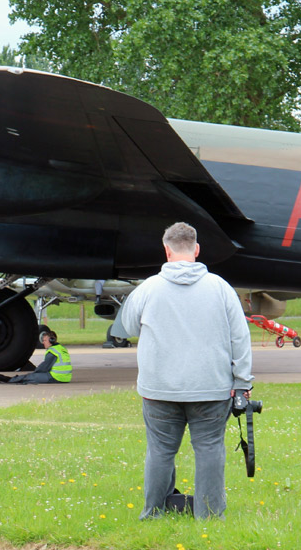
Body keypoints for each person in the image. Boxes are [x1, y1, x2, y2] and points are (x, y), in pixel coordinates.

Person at [117, 222, 253, 520]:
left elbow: (124, 327)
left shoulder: (148, 288)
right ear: (197, 249)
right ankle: (210, 515)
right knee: (209, 450)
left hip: (159, 388)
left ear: (166, 250)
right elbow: (240, 338)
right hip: (211, 386)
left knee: (161, 451)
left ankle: (153, 512)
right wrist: (242, 381)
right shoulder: (220, 288)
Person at [0, 330, 72, 383]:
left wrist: (35, 373)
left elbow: (44, 367)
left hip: (56, 377)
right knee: (32, 377)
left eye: (45, 340)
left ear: (51, 341)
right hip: (65, 378)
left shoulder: (52, 352)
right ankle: (13, 379)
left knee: (30, 377)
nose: (43, 343)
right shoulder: (61, 348)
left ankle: (9, 380)